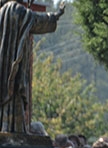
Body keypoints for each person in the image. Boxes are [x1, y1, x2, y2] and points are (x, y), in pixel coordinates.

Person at [0, 1, 64, 134]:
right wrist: (56, 14)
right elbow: (35, 20)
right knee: (13, 95)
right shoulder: (14, 9)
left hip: (3, 68)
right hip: (12, 70)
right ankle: (12, 129)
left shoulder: (2, 11)